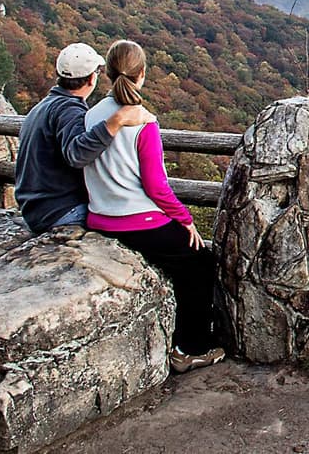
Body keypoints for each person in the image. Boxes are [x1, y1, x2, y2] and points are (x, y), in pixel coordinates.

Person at [83, 39, 225, 373]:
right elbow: (156, 185)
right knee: (201, 263)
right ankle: (190, 349)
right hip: (138, 221)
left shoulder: (91, 116)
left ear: (106, 73)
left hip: (99, 218)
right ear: (142, 74)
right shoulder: (143, 122)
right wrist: (185, 219)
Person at [15, 42, 156, 234]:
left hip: (35, 208)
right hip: (60, 211)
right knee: (129, 227)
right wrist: (116, 122)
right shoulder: (69, 110)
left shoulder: (41, 107)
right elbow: (77, 154)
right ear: (92, 79)